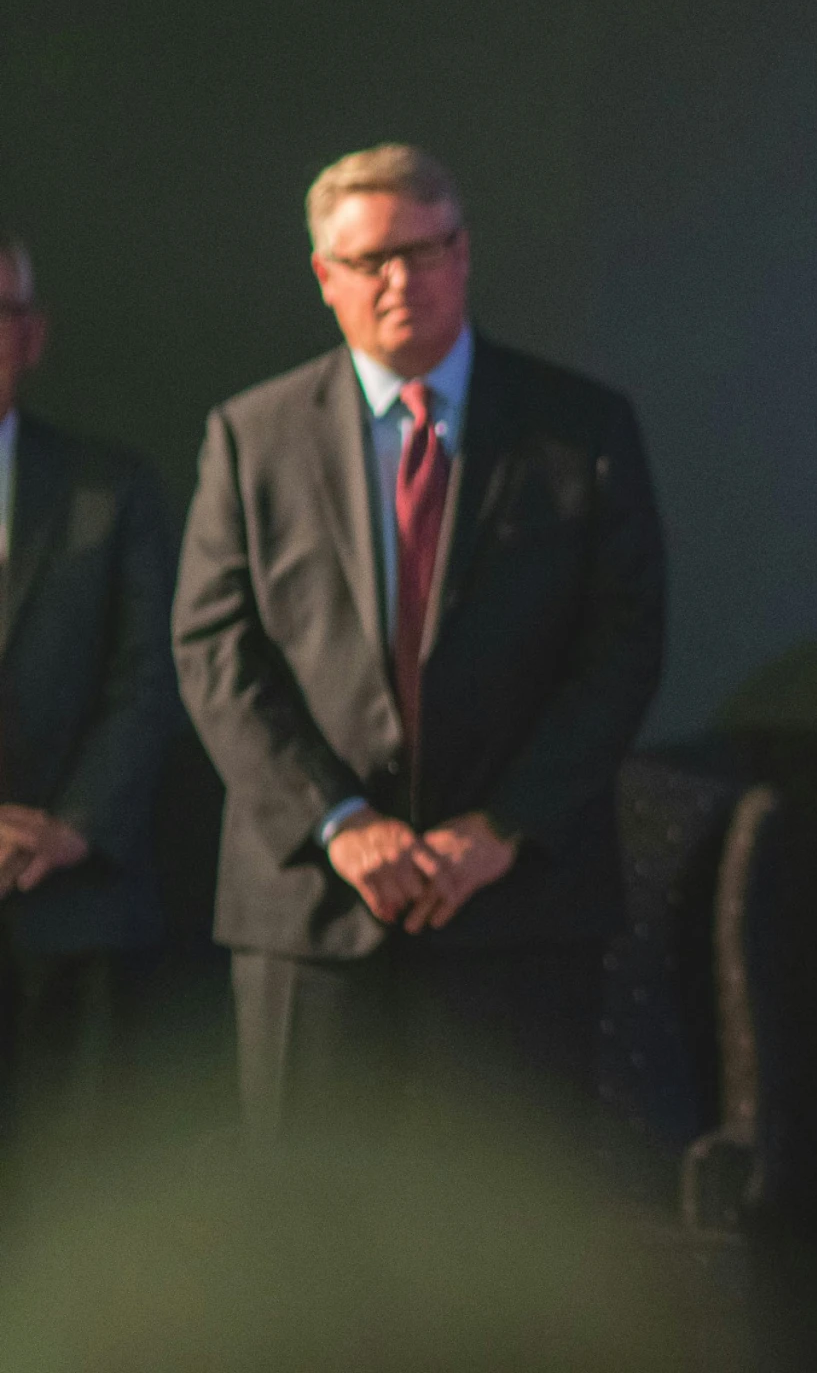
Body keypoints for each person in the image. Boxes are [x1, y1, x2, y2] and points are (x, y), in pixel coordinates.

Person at [172, 145, 666, 1144]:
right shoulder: (250, 434)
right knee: (309, 1245)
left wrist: (501, 827)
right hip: (310, 912)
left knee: (506, 1249)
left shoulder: (581, 427)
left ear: (465, 252)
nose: (400, 280)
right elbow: (215, 650)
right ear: (325, 276)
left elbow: (622, 650)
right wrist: (339, 819)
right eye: (368, 260)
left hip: (518, 907)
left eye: (425, 249)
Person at [0, 232, 180, 1157]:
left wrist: (72, 824)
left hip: (75, 904)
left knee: (65, 1203)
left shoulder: (111, 489)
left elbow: (152, 674)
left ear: (31, 335)